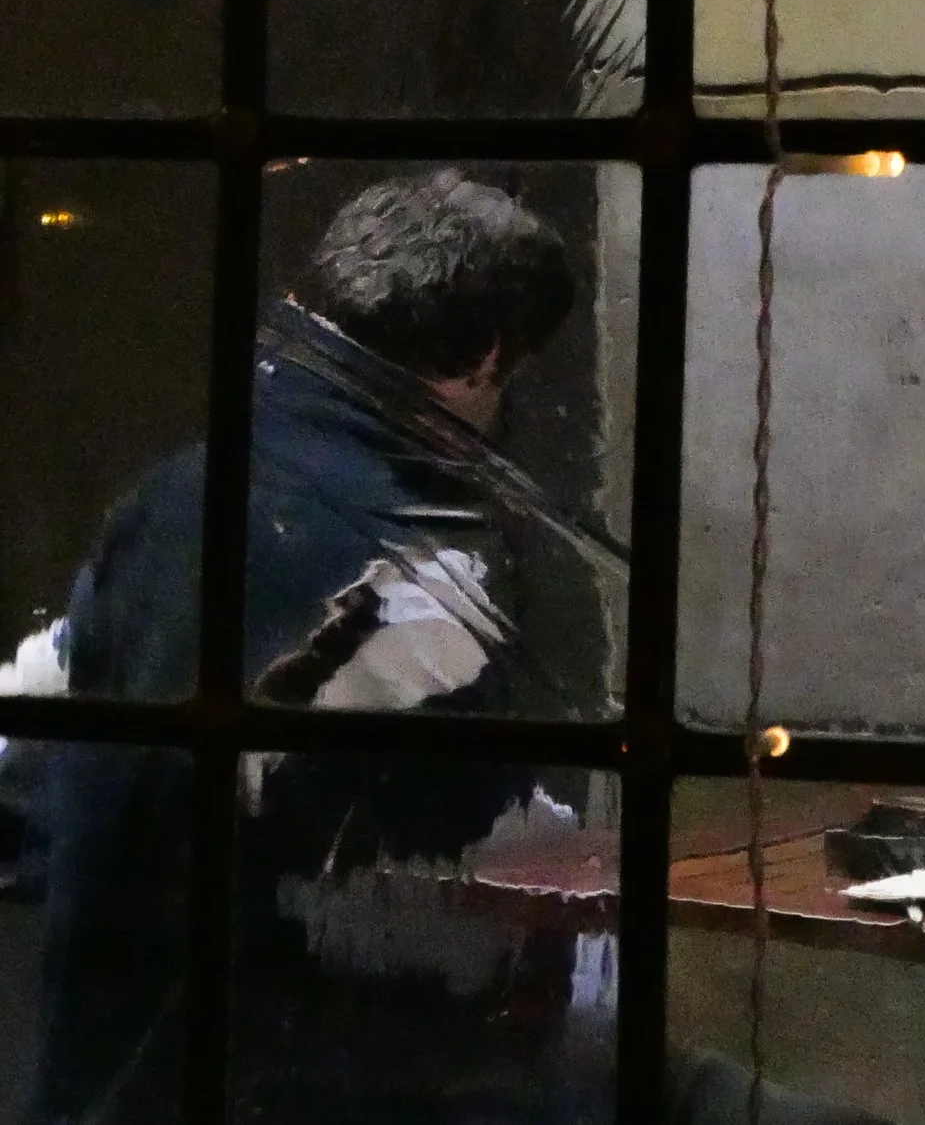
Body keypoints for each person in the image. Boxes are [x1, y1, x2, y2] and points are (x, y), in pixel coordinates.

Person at [30, 170, 863, 1125]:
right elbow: (518, 916)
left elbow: (30, 764)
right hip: (346, 1081)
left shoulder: (175, 500)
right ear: (487, 358)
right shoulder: (404, 584)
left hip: (118, 1073)